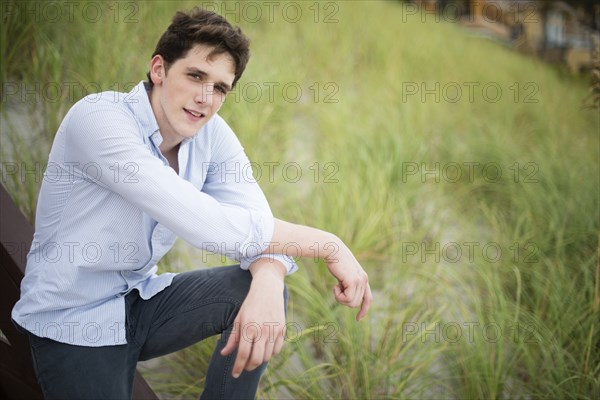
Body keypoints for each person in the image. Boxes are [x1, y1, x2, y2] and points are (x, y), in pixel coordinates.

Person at [12, 7, 372, 400]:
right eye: (196, 76)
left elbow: (254, 215)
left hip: (137, 303)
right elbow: (201, 221)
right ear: (159, 69)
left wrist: (270, 279)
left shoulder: (211, 135)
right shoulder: (100, 120)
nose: (205, 99)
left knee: (256, 286)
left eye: (220, 88)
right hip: (72, 322)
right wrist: (327, 244)